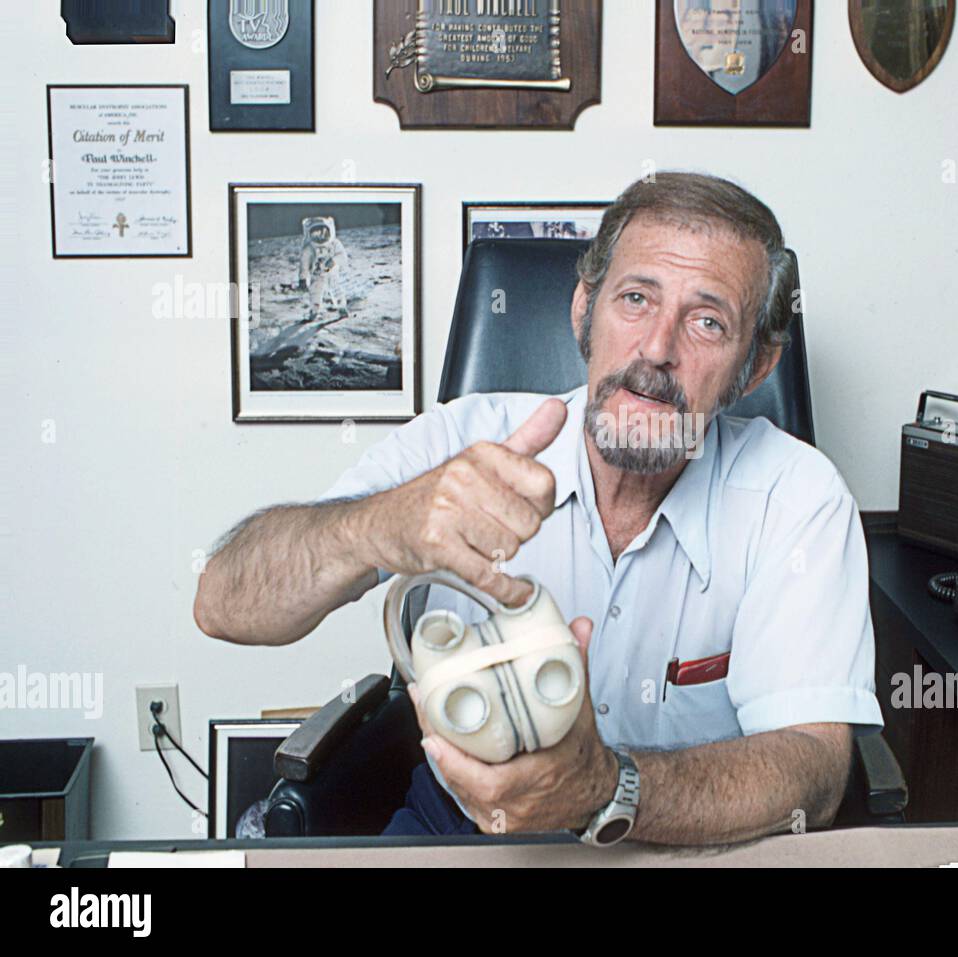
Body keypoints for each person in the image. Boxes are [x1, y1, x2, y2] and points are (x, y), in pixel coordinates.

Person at [194, 171, 882, 845]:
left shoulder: (798, 498)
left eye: (707, 320)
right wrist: (377, 527)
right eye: (636, 298)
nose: (657, 348)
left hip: (688, 839)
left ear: (755, 367)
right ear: (585, 310)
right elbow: (222, 601)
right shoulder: (460, 442)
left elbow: (813, 771)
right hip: (463, 826)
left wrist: (607, 788)